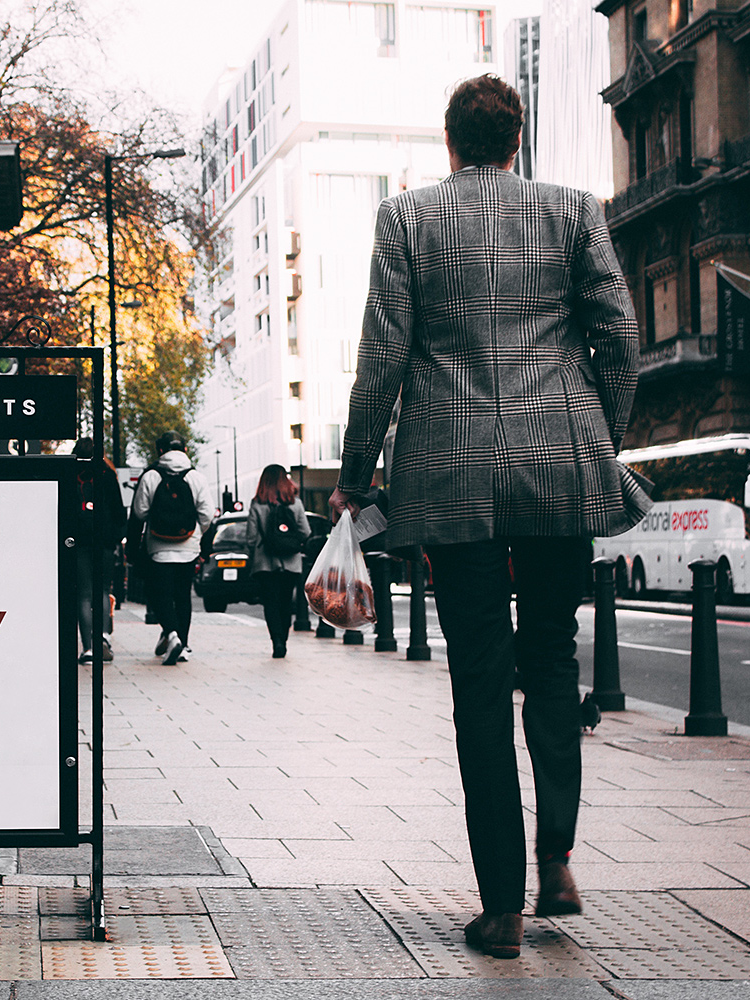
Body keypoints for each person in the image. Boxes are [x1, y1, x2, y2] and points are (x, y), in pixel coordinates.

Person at [328, 74, 651, 959]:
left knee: (478, 676)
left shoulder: (407, 220)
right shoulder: (574, 209)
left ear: (450, 142)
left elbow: (382, 355)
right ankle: (558, 862)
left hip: (451, 472)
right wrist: (599, 434)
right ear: (517, 140)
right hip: (560, 467)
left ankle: (501, 906)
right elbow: (620, 338)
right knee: (550, 657)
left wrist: (358, 475)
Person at [130, 431, 213, 665]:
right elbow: (207, 514)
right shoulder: (196, 477)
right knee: (183, 595)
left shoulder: (151, 476)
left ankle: (172, 634)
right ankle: (183, 644)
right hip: (189, 546)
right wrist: (196, 533)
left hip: (158, 546)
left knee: (161, 594)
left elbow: (139, 512)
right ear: (185, 450)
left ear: (159, 451)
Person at [244, 465, 313, 658]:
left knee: (270, 603)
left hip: (265, 564)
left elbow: (250, 537)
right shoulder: (295, 503)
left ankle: (277, 641)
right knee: (285, 603)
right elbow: (306, 532)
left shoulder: (257, 504)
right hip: (291, 562)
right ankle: (284, 637)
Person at [74, 437, 125, 663]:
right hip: (104, 543)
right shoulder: (107, 475)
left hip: (79, 542)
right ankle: (103, 637)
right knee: (102, 591)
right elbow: (119, 512)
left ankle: (88, 647)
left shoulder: (72, 476)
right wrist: (114, 538)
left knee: (84, 594)